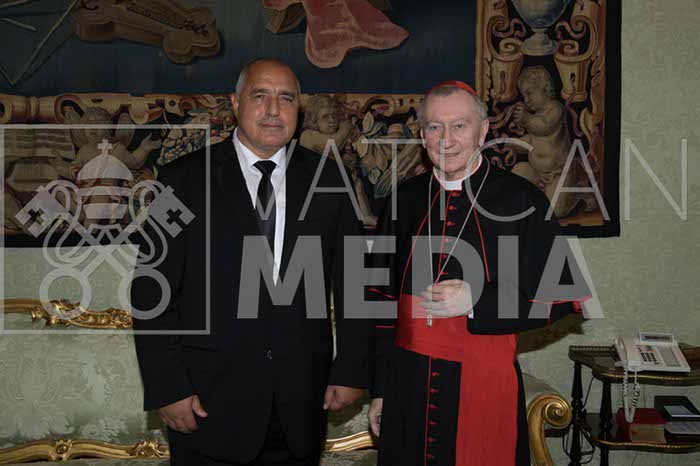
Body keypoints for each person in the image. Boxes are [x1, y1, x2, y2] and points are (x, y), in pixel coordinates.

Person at [131, 58, 371, 466]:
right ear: (235, 103)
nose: (274, 110)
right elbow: (151, 288)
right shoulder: (182, 180)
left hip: (300, 405)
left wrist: (352, 368)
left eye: (286, 98)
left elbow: (355, 280)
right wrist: (167, 387)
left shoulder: (330, 180)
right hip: (207, 405)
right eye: (260, 96)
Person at [366, 81, 590, 466]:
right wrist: (380, 388)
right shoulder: (403, 199)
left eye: (459, 126)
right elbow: (380, 301)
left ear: (483, 131)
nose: (446, 140)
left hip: (482, 382)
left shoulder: (522, 200)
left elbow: (562, 300)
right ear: (422, 134)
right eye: (435, 127)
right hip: (407, 384)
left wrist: (477, 303)